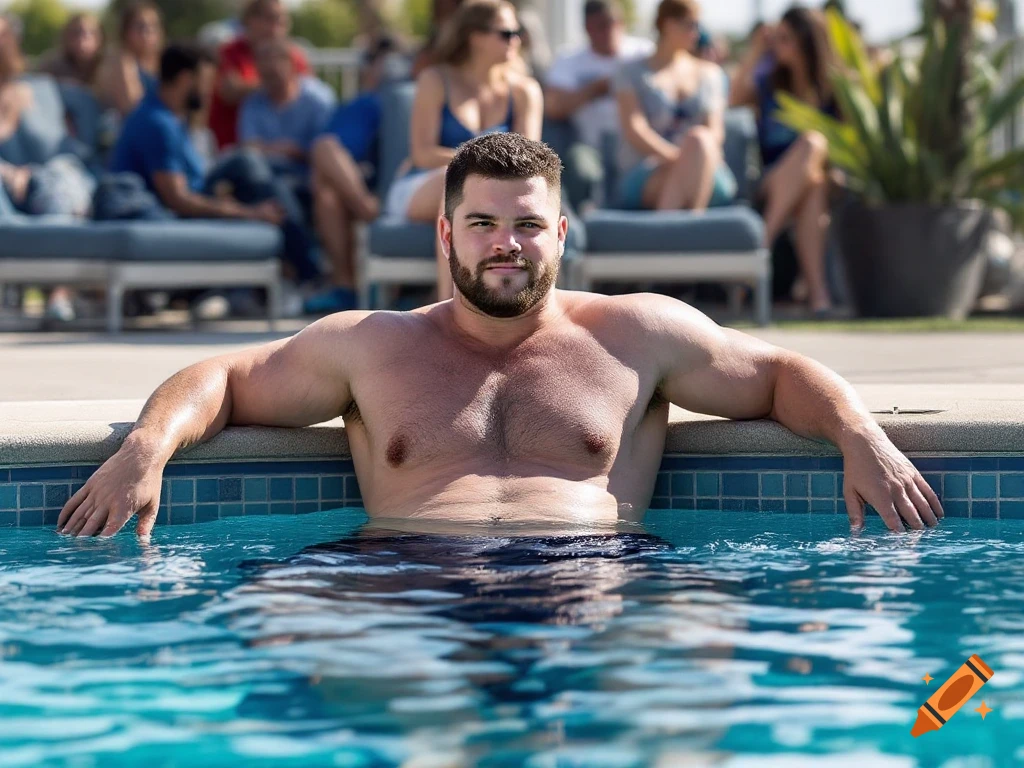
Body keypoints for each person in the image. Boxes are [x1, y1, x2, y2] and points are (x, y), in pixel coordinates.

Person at [57, 131, 944, 539]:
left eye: (526, 225)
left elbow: (779, 372)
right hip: (399, 586)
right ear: (445, 236)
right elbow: (225, 376)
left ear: (561, 234)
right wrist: (147, 447)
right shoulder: (374, 344)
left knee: (708, 660)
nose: (505, 244)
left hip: (593, 576)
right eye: (481, 224)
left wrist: (859, 437)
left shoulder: (634, 333)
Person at [109, 43, 322, 308]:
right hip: (167, 213)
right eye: (206, 82)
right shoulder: (157, 123)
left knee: (258, 169)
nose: (210, 91)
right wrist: (250, 213)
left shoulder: (173, 119)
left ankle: (302, 275)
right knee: (246, 162)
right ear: (187, 80)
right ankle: (310, 275)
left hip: (186, 202)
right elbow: (178, 199)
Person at [388, 0, 542, 300]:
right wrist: (479, 163)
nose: (517, 40)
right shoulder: (435, 80)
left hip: (495, 192)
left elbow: (528, 160)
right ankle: (451, 305)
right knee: (455, 179)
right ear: (475, 36)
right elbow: (422, 154)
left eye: (517, 32)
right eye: (507, 33)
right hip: (422, 185)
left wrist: (480, 167)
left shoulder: (525, 91)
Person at [729, 6, 839, 316]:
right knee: (812, 143)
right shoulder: (770, 84)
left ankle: (758, 248)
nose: (776, 45)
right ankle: (817, 295)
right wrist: (755, 51)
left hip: (824, 183)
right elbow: (733, 98)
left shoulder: (834, 91)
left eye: (784, 38)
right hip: (772, 181)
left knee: (814, 182)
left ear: (806, 42)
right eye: (774, 38)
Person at [0, 14, 95, 323]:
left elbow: (58, 147)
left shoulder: (40, 89)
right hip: (6, 185)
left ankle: (59, 292)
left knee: (64, 180)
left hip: (48, 178)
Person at [304, 35, 399, 315]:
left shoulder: (394, 102)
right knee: (326, 192)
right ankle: (347, 287)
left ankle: (348, 285)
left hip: (377, 179)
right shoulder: (352, 104)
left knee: (323, 149)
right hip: (349, 178)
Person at [614, 0, 737, 212]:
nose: (697, 33)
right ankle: (691, 229)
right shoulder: (630, 71)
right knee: (687, 166)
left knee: (699, 139)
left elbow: (715, 132)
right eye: (691, 24)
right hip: (649, 170)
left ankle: (668, 233)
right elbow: (635, 129)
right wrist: (681, 159)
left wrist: (691, 158)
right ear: (669, 24)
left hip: (707, 167)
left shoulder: (710, 73)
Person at [543, 0, 653, 154]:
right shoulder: (568, 59)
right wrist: (598, 88)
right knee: (580, 164)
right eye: (601, 25)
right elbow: (552, 107)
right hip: (588, 145)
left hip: (638, 144)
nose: (609, 30)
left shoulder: (643, 52)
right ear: (588, 28)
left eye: (613, 22)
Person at [208, 0, 311, 151]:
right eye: (271, 18)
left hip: (285, 152)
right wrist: (275, 83)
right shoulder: (230, 52)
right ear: (250, 20)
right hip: (234, 148)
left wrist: (253, 86)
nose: (278, 27)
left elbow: (305, 93)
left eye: (283, 20)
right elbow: (229, 91)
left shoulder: (294, 55)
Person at [238, 38, 335, 175]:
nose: (270, 80)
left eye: (274, 73)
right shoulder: (253, 102)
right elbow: (249, 148)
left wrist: (296, 151)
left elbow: (326, 147)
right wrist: (286, 149)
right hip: (266, 176)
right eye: (265, 75)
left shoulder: (317, 98)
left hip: (312, 176)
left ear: (291, 65)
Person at [96, 1, 163, 117]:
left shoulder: (161, 60)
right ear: (126, 31)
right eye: (140, 26)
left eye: (153, 26)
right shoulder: (120, 60)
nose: (147, 32)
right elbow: (132, 106)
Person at [35, 12, 104, 87]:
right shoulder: (51, 65)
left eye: (91, 33)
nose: (82, 40)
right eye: (76, 33)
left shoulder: (107, 67)